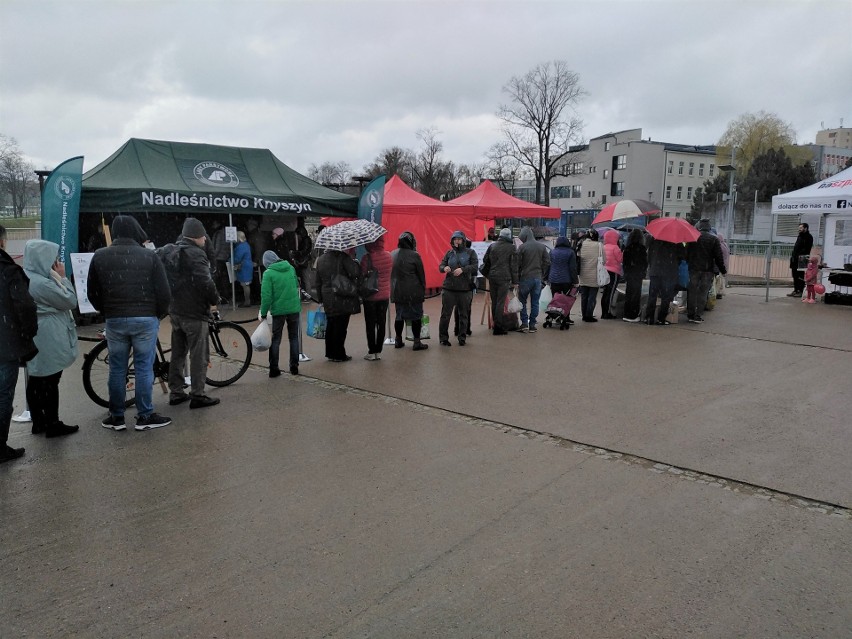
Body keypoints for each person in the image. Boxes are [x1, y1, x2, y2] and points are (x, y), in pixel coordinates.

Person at [88, 215, 172, 430]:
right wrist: (158, 314)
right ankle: (145, 416)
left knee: (117, 369)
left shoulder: (99, 256)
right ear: (136, 231)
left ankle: (116, 416)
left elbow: (92, 292)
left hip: (114, 318)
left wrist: (106, 310)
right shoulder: (149, 256)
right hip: (145, 317)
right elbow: (163, 292)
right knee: (144, 367)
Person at [162, 217, 221, 409]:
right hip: (195, 312)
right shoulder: (196, 254)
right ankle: (198, 394)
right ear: (197, 236)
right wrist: (215, 299)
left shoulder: (172, 250)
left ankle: (176, 391)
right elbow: (206, 282)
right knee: (199, 355)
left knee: (178, 354)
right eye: (203, 236)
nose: (205, 240)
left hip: (176, 311)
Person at [22, 240, 79, 438]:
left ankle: (39, 421)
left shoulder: (27, 277)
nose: (56, 262)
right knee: (50, 379)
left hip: (38, 333)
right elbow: (69, 301)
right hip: (48, 335)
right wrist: (63, 279)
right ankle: (53, 423)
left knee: (38, 379)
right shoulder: (42, 283)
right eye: (52, 257)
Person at [0, 224, 38, 463]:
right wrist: (27, 334)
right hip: (5, 344)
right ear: (2, 241)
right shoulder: (9, 271)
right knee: (3, 395)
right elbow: (25, 307)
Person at [315, 246, 361, 361]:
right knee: (341, 326)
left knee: (331, 325)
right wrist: (353, 260)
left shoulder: (320, 259)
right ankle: (339, 353)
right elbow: (354, 272)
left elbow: (317, 281)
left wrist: (320, 298)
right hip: (341, 295)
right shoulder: (343, 257)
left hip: (327, 297)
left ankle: (330, 353)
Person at [259, 250, 301, 376]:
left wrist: (263, 312)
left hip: (278, 310)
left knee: (276, 339)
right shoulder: (290, 268)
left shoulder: (268, 273)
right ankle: (294, 366)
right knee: (293, 338)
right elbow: (296, 285)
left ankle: (274, 368)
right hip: (293, 308)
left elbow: (266, 296)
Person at [438, 230, 478, 346]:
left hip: (465, 289)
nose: (457, 241)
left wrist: (463, 269)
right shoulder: (449, 253)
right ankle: (443, 338)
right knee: (445, 315)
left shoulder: (471, 253)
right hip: (449, 288)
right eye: (455, 239)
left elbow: (475, 267)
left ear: (463, 240)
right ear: (452, 241)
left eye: (459, 239)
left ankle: (462, 337)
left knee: (463, 315)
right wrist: (444, 268)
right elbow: (441, 266)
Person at [390, 231, 428, 350]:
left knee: (399, 316)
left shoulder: (393, 254)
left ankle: (398, 339)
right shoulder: (414, 255)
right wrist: (422, 288)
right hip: (413, 291)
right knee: (416, 316)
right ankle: (417, 342)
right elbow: (421, 275)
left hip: (397, 291)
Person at [686, 219, 726, 324]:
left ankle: (690, 314)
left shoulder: (692, 238)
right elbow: (719, 257)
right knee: (703, 293)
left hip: (694, 269)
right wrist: (723, 270)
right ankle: (698, 315)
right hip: (707, 270)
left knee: (692, 292)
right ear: (709, 228)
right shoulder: (714, 240)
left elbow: (686, 253)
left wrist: (690, 262)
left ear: (699, 227)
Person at [481, 227, 518, 335]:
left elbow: (485, 260)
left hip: (492, 276)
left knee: (494, 300)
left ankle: (494, 324)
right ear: (509, 236)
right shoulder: (512, 247)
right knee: (500, 302)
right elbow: (514, 266)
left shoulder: (492, 245)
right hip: (504, 277)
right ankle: (498, 327)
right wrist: (515, 281)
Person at [361, 236, 393, 360]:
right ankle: (378, 350)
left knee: (370, 324)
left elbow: (362, 274)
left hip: (370, 296)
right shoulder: (389, 256)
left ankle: (371, 350)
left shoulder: (366, 258)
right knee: (381, 322)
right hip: (384, 295)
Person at [515, 226, 551, 333]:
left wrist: (517, 277)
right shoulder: (541, 246)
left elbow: (517, 264)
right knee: (535, 302)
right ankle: (532, 324)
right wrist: (542, 273)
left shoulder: (522, 247)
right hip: (537, 278)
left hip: (525, 278)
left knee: (522, 301)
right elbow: (547, 262)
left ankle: (524, 323)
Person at [645, 236, 684, 326]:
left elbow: (649, 256)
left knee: (652, 295)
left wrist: (652, 265)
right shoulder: (676, 242)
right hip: (669, 272)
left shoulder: (654, 239)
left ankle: (649, 318)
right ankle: (661, 319)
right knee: (666, 297)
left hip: (655, 271)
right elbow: (683, 256)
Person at [548, 236, 579, 324]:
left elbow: (548, 265)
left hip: (553, 278)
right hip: (566, 279)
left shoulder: (552, 252)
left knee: (555, 298)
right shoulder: (570, 252)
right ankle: (565, 317)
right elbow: (573, 268)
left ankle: (554, 316)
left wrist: (546, 277)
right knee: (566, 299)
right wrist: (575, 281)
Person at [621, 229, 648, 323]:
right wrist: (643, 273)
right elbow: (644, 263)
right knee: (636, 295)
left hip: (629, 274)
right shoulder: (642, 249)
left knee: (628, 293)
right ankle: (633, 314)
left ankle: (626, 313)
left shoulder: (627, 248)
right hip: (637, 274)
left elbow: (624, 262)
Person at [576, 229, 602, 322]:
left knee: (584, 296)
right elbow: (604, 259)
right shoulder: (598, 245)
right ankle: (589, 315)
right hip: (595, 274)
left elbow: (578, 257)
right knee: (592, 296)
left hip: (583, 274)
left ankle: (584, 315)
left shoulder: (581, 244)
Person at [600, 229, 623, 320]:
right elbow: (620, 260)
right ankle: (608, 313)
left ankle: (603, 312)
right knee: (611, 293)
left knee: (605, 292)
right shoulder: (615, 247)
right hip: (614, 272)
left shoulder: (603, 247)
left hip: (605, 272)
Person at [787, 222, 813, 297]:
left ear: (805, 228)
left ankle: (800, 290)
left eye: (801, 228)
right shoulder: (800, 236)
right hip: (795, 258)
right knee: (794, 274)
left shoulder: (808, 237)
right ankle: (795, 289)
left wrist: (799, 255)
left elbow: (807, 249)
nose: (799, 229)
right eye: (799, 228)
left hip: (802, 258)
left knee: (800, 275)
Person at [211, 220, 233, 302]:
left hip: (219, 259)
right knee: (225, 279)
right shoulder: (227, 233)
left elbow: (217, 248)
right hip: (226, 258)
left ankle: (219, 297)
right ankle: (226, 296)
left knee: (217, 279)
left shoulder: (218, 234)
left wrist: (212, 257)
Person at [231, 230, 254, 307]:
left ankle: (247, 302)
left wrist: (230, 260)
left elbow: (237, 259)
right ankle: (247, 301)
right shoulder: (246, 245)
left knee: (245, 285)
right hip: (247, 266)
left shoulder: (241, 246)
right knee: (246, 284)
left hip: (244, 267)